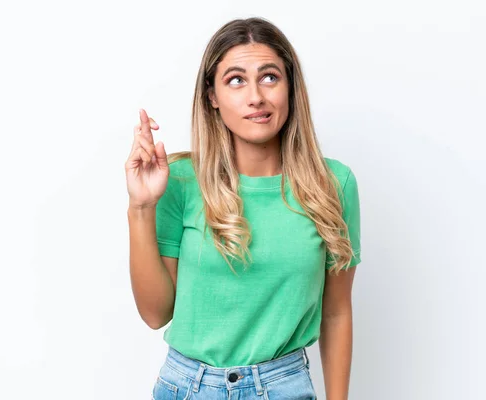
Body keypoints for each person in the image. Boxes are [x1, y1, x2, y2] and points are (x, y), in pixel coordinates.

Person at [125, 17, 361, 400]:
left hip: (283, 386)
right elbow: (156, 314)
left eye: (269, 77)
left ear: (290, 88)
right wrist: (140, 207)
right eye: (235, 80)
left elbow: (336, 313)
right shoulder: (180, 181)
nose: (256, 96)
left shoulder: (333, 185)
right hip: (186, 388)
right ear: (212, 96)